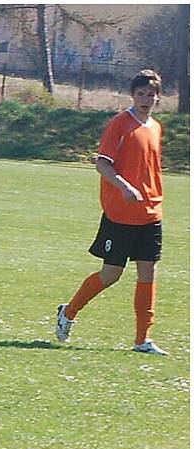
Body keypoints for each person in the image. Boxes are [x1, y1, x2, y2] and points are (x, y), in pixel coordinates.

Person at [56, 69, 167, 355]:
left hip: (151, 213)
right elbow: (102, 163)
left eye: (151, 95)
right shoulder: (120, 123)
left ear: (158, 97)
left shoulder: (155, 127)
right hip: (121, 214)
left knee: (147, 273)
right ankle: (68, 311)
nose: (146, 99)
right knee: (111, 274)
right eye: (141, 94)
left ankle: (143, 339)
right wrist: (124, 186)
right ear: (133, 95)